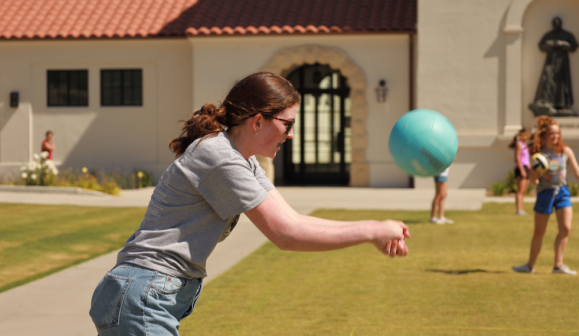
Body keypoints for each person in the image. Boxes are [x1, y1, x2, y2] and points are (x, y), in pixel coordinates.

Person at [89, 72, 410, 336]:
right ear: (258, 122)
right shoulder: (220, 158)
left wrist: (374, 231)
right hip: (143, 296)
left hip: (144, 295)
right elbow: (286, 234)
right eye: (288, 124)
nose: (291, 134)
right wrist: (371, 230)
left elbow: (294, 219)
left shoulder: (240, 159)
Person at [513, 116, 578, 275]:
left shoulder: (565, 150)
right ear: (545, 135)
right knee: (539, 232)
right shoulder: (538, 154)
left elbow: (577, 172)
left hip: (562, 192)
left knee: (566, 228)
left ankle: (558, 266)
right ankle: (530, 266)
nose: (555, 136)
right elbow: (534, 181)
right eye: (551, 133)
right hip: (545, 193)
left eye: (557, 133)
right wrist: (537, 171)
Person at [509, 128, 531, 215]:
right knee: (520, 190)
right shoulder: (519, 144)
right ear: (521, 135)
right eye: (526, 134)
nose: (528, 136)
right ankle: (519, 209)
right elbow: (517, 158)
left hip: (526, 168)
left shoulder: (526, 145)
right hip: (521, 168)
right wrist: (522, 170)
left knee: (524, 190)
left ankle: (522, 209)